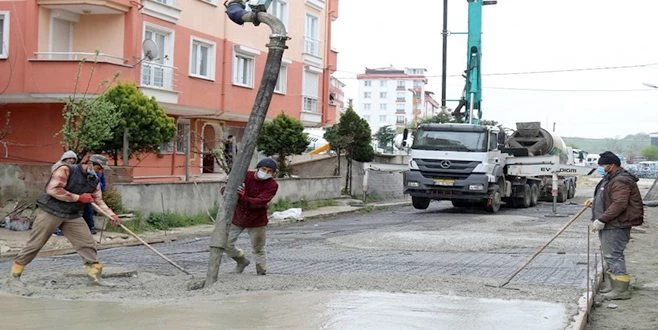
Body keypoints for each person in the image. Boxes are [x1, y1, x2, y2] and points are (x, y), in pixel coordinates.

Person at [10, 154, 122, 286]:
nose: (100, 172)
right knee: (35, 244)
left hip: (72, 214)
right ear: (90, 164)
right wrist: (78, 198)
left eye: (102, 169)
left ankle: (94, 278)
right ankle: (15, 275)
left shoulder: (94, 181)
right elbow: (53, 190)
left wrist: (112, 216)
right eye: (99, 168)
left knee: (87, 243)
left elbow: (98, 200)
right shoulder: (66, 169)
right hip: (51, 211)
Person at [589, 151, 644, 300]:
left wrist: (602, 219)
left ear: (612, 165)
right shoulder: (611, 178)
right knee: (609, 255)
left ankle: (621, 290)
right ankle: (612, 285)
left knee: (614, 255)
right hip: (611, 223)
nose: (601, 168)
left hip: (616, 224)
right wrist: (595, 201)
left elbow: (619, 204)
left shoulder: (621, 180)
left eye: (603, 165)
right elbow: (608, 196)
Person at [224, 158, 278, 275]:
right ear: (258, 168)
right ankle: (242, 261)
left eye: (269, 171)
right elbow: (226, 191)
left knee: (258, 248)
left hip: (257, 220)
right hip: (238, 217)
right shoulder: (245, 175)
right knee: (226, 244)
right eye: (264, 169)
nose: (266, 173)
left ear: (272, 173)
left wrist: (243, 197)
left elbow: (259, 202)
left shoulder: (272, 185)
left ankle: (261, 271)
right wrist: (228, 187)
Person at [51, 150, 78, 236]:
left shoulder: (73, 168)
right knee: (56, 212)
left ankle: (62, 229)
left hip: (67, 192)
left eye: (73, 159)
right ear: (65, 158)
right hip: (58, 191)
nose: (71, 160)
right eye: (69, 158)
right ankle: (55, 229)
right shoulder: (58, 166)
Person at [82, 170, 106, 235]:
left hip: (89, 198)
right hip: (77, 198)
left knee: (89, 211)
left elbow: (102, 183)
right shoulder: (80, 176)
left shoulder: (99, 174)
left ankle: (91, 227)